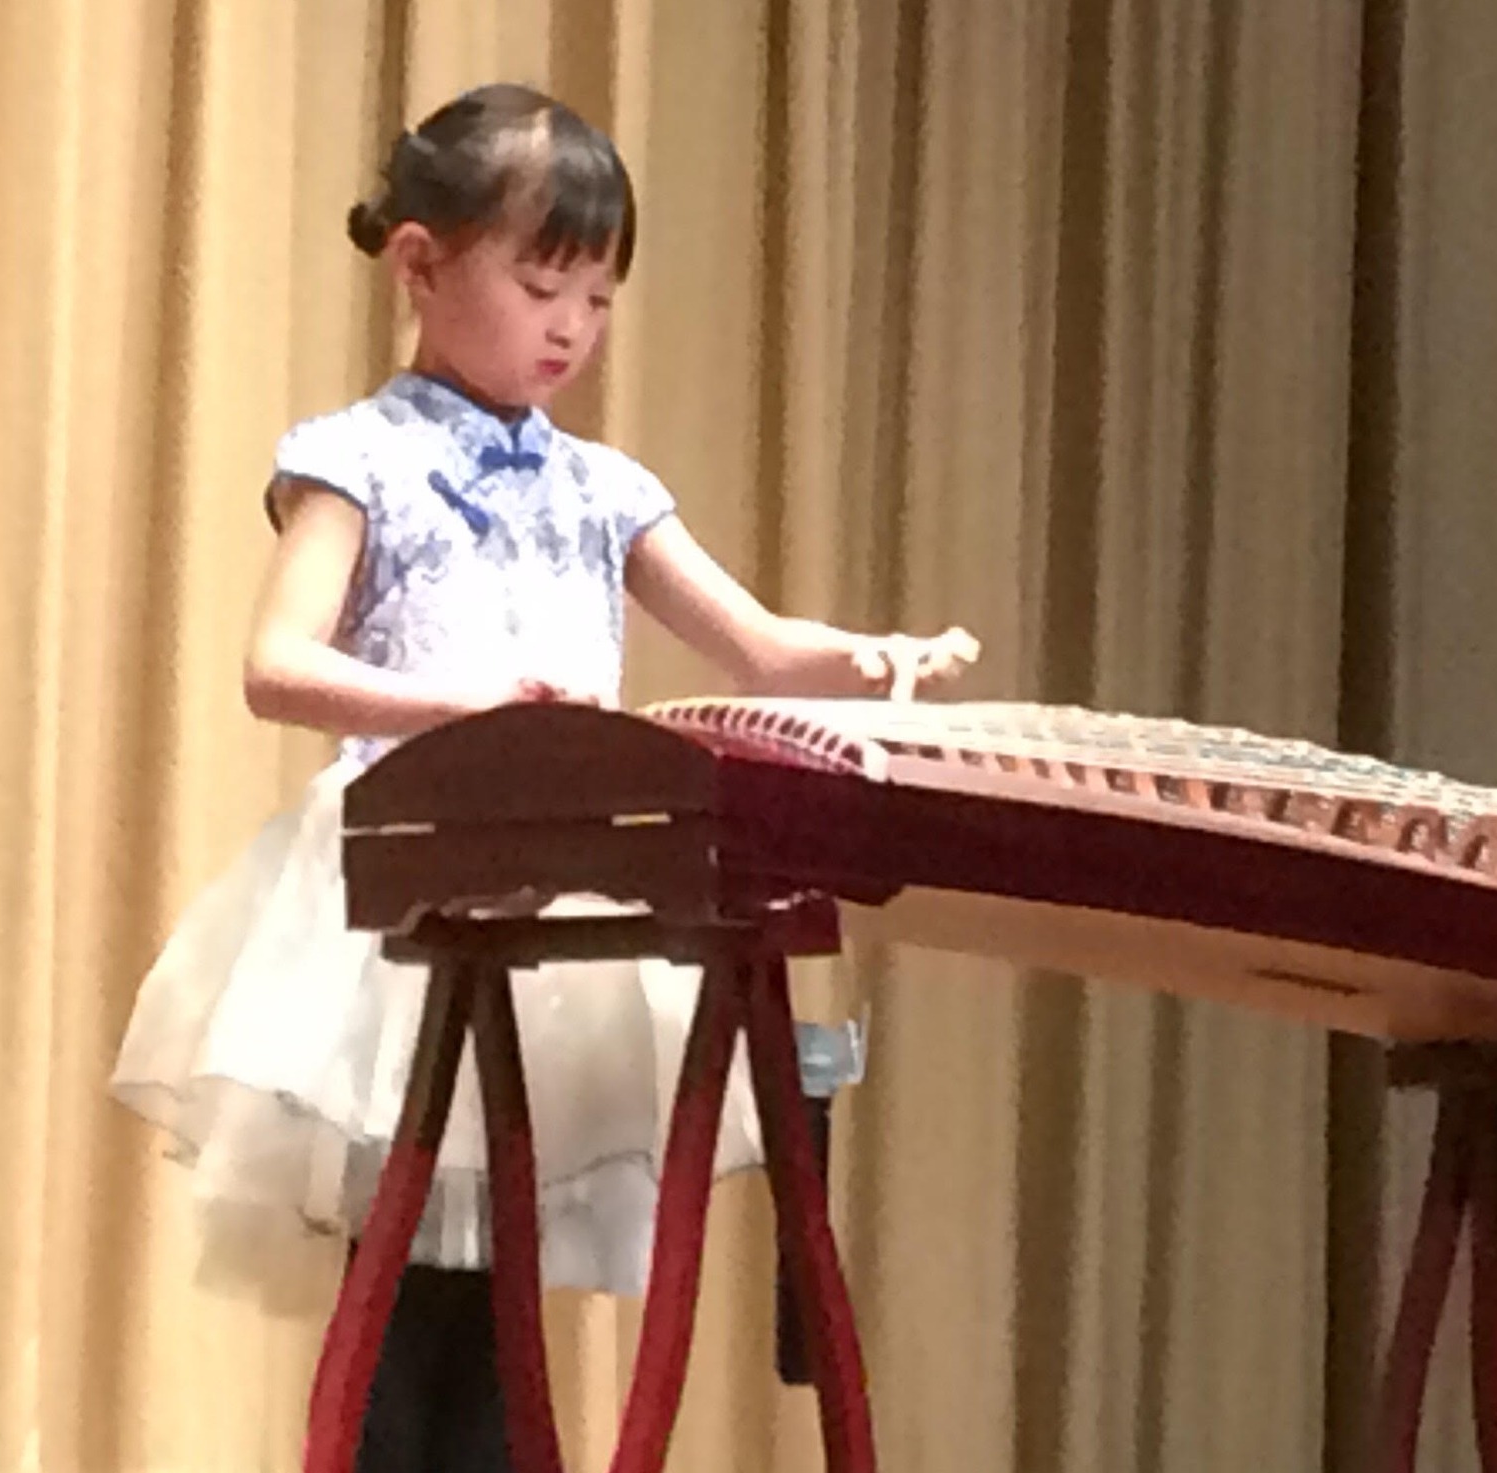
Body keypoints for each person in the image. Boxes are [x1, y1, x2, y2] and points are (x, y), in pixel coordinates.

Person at [107, 82, 977, 1471]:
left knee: (505, 1272)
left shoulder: (602, 485)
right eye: (539, 282)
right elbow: (276, 666)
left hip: (575, 887)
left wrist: (878, 658)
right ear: (418, 262)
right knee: (410, 1277)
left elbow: (755, 644)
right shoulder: (356, 460)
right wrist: (464, 707)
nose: (570, 325)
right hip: (417, 879)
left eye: (597, 297)